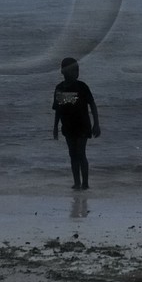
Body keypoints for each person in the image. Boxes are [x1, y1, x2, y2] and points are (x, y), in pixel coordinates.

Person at [52, 57, 101, 190]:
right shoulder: (60, 88)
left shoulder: (82, 87)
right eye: (73, 70)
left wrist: (96, 124)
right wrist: (55, 127)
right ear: (63, 72)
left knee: (80, 152)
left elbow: (92, 105)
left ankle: (85, 183)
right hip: (68, 126)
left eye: (77, 70)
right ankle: (77, 183)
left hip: (82, 125)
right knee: (72, 154)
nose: (76, 72)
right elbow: (59, 109)